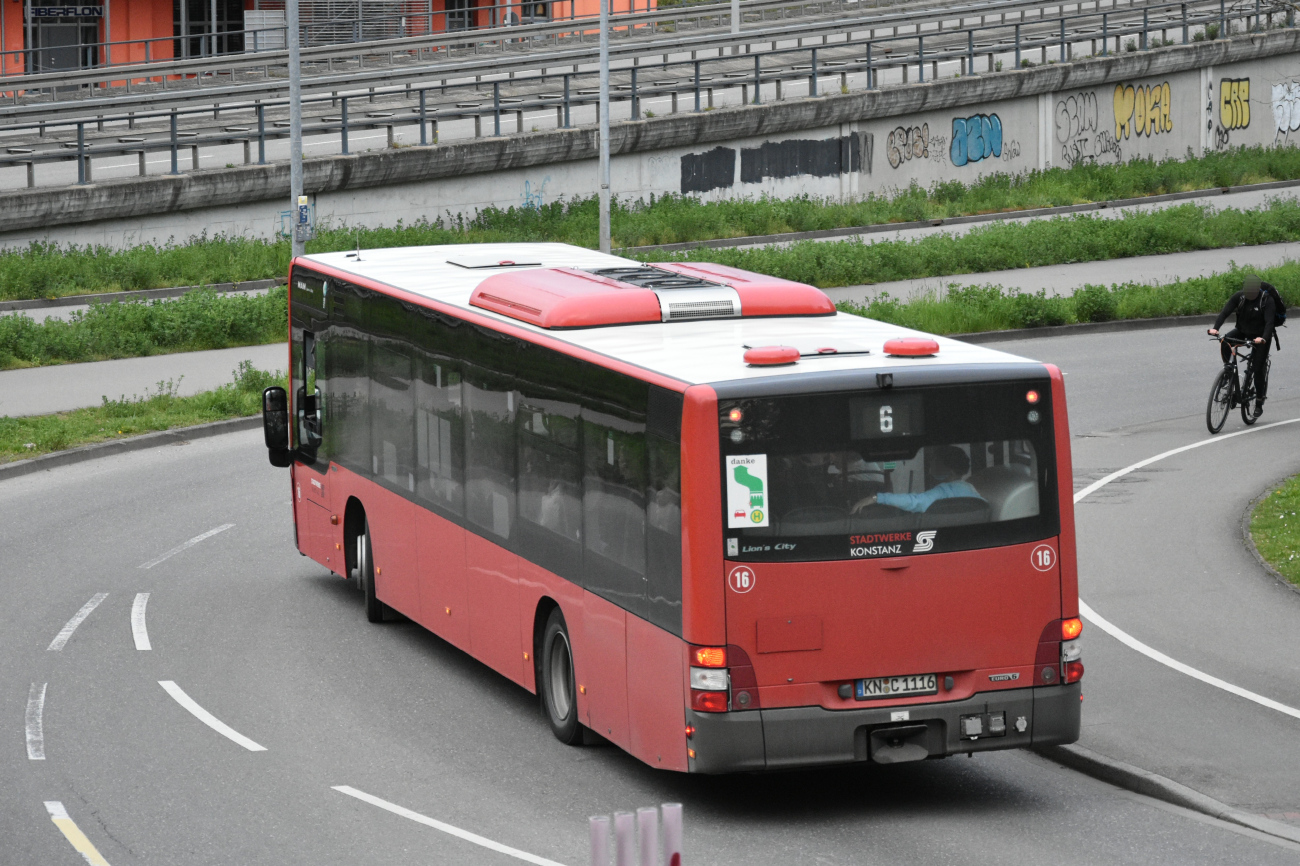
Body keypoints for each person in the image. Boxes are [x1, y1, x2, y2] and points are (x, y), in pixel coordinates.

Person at [1208, 274, 1277, 417]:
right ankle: (1228, 372)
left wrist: (1263, 338)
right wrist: (1216, 328)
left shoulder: (1266, 301)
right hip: (1243, 331)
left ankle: (1258, 401)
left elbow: (1270, 323)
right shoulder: (1239, 297)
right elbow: (1225, 312)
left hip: (1261, 336)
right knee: (1225, 341)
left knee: (1257, 369)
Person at [850, 445, 983, 514]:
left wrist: (876, 498)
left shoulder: (944, 491)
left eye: (937, 462)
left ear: (950, 469)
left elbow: (915, 502)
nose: (932, 465)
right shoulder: (971, 489)